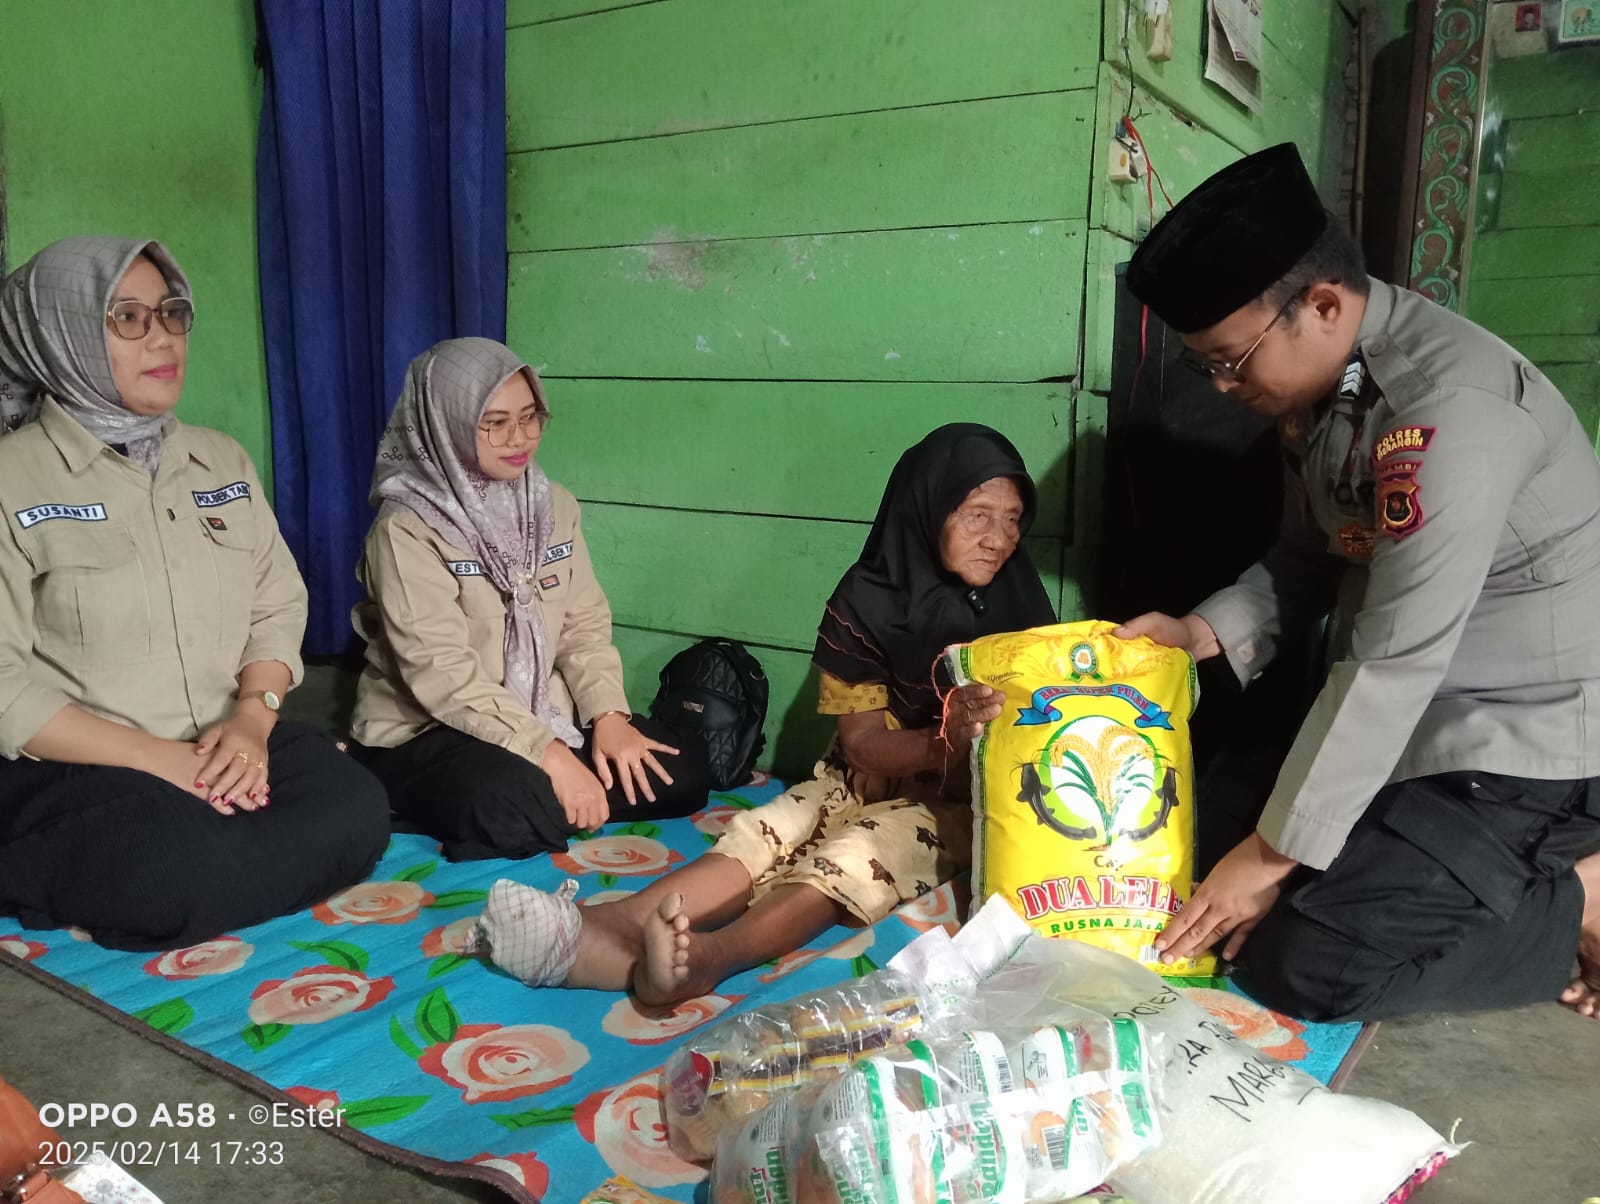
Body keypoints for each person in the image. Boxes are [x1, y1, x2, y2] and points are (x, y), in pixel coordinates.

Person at [1115, 143, 1600, 1021]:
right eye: (1209, 366)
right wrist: (1198, 634)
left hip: (1520, 748)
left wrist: (1269, 860)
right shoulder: (1329, 389)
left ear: (1324, 304)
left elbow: (1396, 662)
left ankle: (1578, 898)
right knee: (1189, 856)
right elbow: (1311, 556)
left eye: (1232, 359)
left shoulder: (1449, 412)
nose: (1224, 387)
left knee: (1303, 963)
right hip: (1412, 727)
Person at [471, 423, 1057, 1005]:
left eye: (1012, 520)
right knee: (769, 831)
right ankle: (614, 925)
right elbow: (860, 746)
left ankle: (708, 960)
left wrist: (953, 749)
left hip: (961, 796)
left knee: (860, 855)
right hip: (866, 770)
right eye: (978, 515)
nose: (999, 539)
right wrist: (938, 738)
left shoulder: (1024, 606)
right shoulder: (868, 598)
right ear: (927, 510)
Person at [0, 236, 390, 951]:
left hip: (224, 741)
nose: (163, 338)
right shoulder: (12, 479)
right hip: (84, 768)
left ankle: (205, 853)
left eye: (172, 312)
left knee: (357, 805)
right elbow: (4, 686)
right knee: (178, 867)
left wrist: (251, 721)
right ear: (59, 335)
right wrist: (162, 761)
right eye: (127, 318)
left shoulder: (219, 459)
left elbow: (276, 602)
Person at [348, 338, 710, 861]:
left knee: (685, 768)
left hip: (542, 708)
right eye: (492, 422)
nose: (517, 438)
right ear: (444, 425)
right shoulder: (406, 529)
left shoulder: (551, 505)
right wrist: (552, 755)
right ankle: (450, 796)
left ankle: (538, 798)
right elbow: (442, 674)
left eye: (529, 416)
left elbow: (582, 626)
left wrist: (609, 716)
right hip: (430, 729)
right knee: (514, 801)